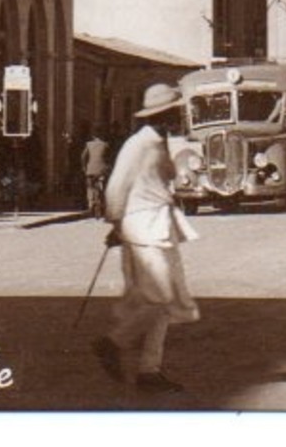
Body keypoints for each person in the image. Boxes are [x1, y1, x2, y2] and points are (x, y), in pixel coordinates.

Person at [93, 83, 199, 395]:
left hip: (160, 228)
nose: (180, 116)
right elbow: (116, 187)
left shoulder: (162, 143)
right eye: (175, 112)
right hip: (143, 230)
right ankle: (114, 343)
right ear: (163, 115)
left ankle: (149, 369)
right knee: (161, 299)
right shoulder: (137, 146)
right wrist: (116, 223)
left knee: (165, 303)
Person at [82, 126, 111, 219]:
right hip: (102, 170)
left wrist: (84, 167)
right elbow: (109, 158)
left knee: (90, 188)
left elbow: (83, 157)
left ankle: (90, 204)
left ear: (93, 136)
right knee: (103, 188)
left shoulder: (88, 144)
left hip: (90, 170)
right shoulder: (106, 145)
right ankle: (101, 205)